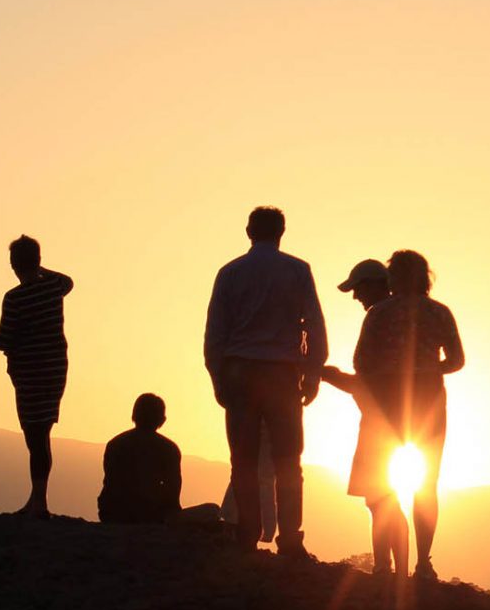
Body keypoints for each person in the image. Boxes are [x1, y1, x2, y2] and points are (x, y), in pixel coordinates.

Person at [203, 206, 327, 556]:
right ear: (282, 232)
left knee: (243, 458)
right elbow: (314, 324)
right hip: (283, 374)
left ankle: (247, 530)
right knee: (289, 460)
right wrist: (313, 372)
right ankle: (290, 537)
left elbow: (215, 331)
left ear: (248, 231)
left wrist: (217, 375)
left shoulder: (229, 272)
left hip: (240, 371)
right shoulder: (297, 270)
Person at [352, 249, 464, 580]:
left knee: (379, 483)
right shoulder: (440, 313)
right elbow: (457, 360)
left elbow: (361, 361)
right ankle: (423, 563)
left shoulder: (379, 313)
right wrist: (429, 369)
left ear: (393, 279)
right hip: (429, 399)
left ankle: (385, 564)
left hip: (387, 400)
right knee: (427, 485)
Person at [0, 235, 73, 518]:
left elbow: (4, 341)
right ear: (39, 261)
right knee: (42, 433)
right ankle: (38, 499)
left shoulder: (15, 298)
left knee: (35, 435)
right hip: (55, 369)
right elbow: (68, 281)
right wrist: (41, 269)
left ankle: (38, 502)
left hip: (29, 372)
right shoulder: (54, 286)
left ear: (13, 264)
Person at [321, 259, 406, 576]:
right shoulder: (402, 317)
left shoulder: (379, 316)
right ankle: (395, 569)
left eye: (358, 289)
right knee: (385, 497)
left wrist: (332, 377)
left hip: (379, 422)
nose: (356, 297)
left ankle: (387, 569)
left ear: (374, 284)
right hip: (401, 419)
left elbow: (369, 382)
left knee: (379, 498)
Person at [98, 394, 183, 524]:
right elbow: (173, 491)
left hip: (113, 512)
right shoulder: (169, 448)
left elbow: (110, 482)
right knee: (211, 509)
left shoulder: (116, 443)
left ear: (134, 415)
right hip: (151, 514)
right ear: (162, 420)